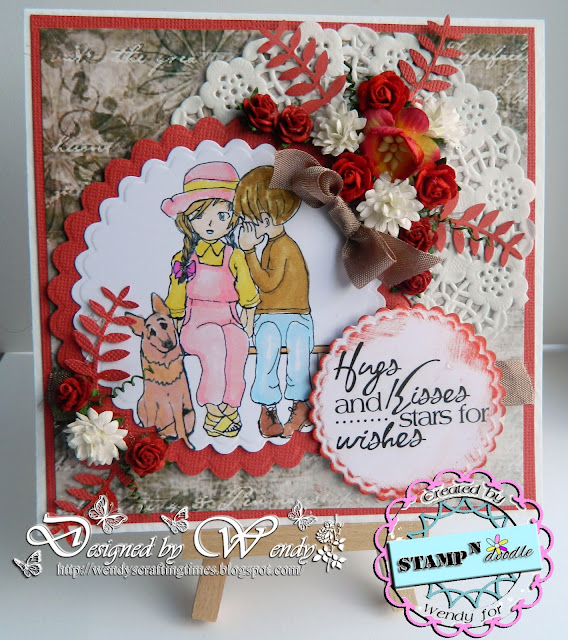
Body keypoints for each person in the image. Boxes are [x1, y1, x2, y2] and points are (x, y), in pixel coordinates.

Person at [161, 161, 259, 438]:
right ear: (188, 220)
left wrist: (248, 322)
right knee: (215, 340)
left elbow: (247, 292)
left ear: (232, 218)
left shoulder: (234, 255)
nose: (211, 224)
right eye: (200, 216)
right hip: (195, 324)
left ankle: (230, 406)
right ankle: (212, 407)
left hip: (229, 318)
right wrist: (174, 327)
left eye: (221, 215)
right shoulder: (183, 258)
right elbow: (176, 299)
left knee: (237, 342)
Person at [235, 165, 314, 439]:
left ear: (269, 216)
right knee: (266, 356)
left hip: (296, 315)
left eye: (253, 218)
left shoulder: (282, 246)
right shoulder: (271, 244)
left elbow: (267, 283)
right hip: (269, 315)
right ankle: (268, 409)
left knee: (298, 359)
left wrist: (248, 251)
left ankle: (299, 406)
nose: (250, 225)